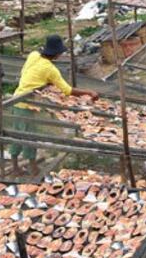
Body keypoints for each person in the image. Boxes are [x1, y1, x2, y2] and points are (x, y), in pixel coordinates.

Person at [11, 35, 99, 175]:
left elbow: (25, 73)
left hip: (16, 99)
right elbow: (67, 90)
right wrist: (89, 92)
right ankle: (33, 167)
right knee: (29, 136)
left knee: (16, 134)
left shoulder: (33, 55)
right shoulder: (50, 69)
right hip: (27, 105)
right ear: (57, 54)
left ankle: (15, 166)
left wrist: (43, 83)